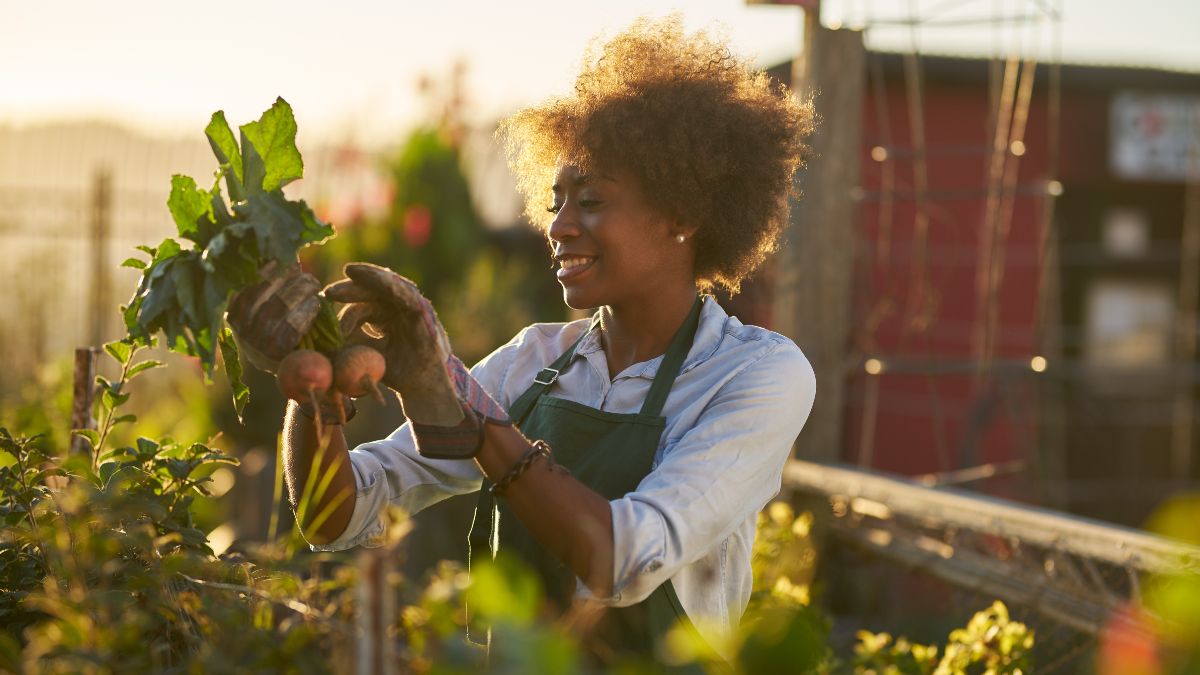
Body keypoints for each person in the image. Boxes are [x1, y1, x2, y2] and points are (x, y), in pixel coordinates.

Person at [229, 15, 816, 666]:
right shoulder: (536, 361)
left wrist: (474, 419)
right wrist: (313, 387)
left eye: (590, 200)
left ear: (682, 213)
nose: (559, 226)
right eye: (555, 200)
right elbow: (335, 515)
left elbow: (624, 558)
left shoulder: (755, 374)